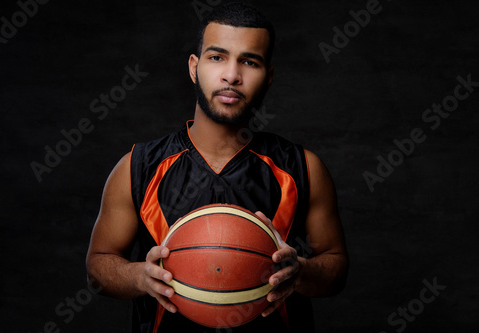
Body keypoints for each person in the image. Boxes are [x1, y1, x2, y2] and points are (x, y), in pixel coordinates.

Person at [86, 2, 348, 332]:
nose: (231, 75)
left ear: (268, 77)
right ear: (194, 67)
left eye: (249, 61)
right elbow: (98, 264)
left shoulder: (303, 167)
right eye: (217, 57)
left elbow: (337, 266)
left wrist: (303, 271)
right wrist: (140, 277)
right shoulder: (137, 166)